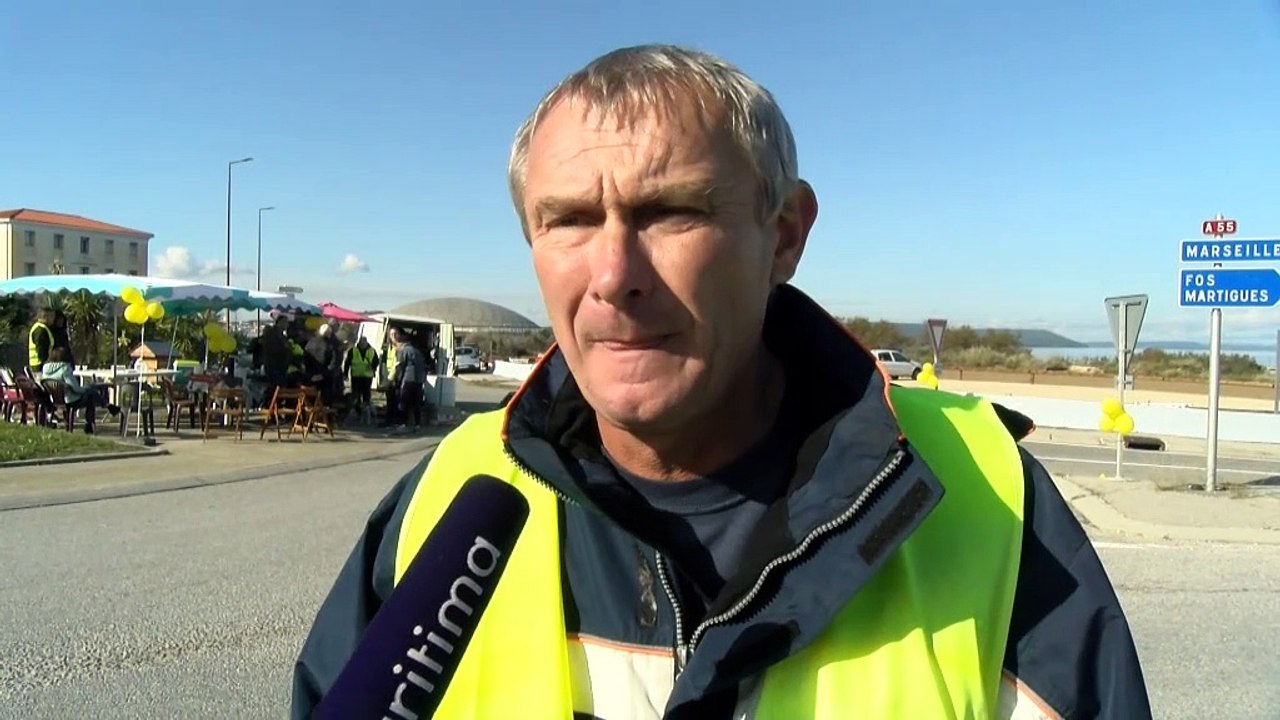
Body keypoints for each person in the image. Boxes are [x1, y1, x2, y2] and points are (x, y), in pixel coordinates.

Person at [293, 45, 1150, 719]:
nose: (613, 274)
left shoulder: (986, 502)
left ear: (783, 235)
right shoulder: (448, 496)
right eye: (569, 220)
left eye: (672, 211)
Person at [40, 347, 117, 433]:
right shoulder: (65, 368)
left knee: (90, 392)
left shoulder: (45, 369)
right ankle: (92, 421)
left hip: (54, 400)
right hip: (70, 401)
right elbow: (75, 388)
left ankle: (107, 406)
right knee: (91, 393)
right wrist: (85, 389)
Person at [387, 327, 425, 430]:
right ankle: (417, 424)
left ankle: (403, 423)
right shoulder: (417, 351)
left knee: (403, 402)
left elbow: (400, 366)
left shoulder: (403, 351)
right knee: (416, 403)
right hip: (418, 380)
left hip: (407, 379)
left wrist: (396, 380)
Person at [342, 335, 379, 424]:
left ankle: (366, 415)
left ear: (366, 342)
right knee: (356, 396)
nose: (362, 344)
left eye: (364, 342)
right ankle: (358, 412)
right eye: (361, 342)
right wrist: (345, 373)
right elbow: (347, 363)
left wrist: (373, 368)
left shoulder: (372, 351)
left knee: (366, 396)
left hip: (367, 377)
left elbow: (376, 361)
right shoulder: (353, 351)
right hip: (356, 376)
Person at [27, 308, 55, 375]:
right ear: (46, 317)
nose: (53, 319)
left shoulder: (39, 327)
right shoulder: (40, 330)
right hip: (40, 367)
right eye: (52, 316)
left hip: (37, 365)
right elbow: (41, 350)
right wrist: (47, 364)